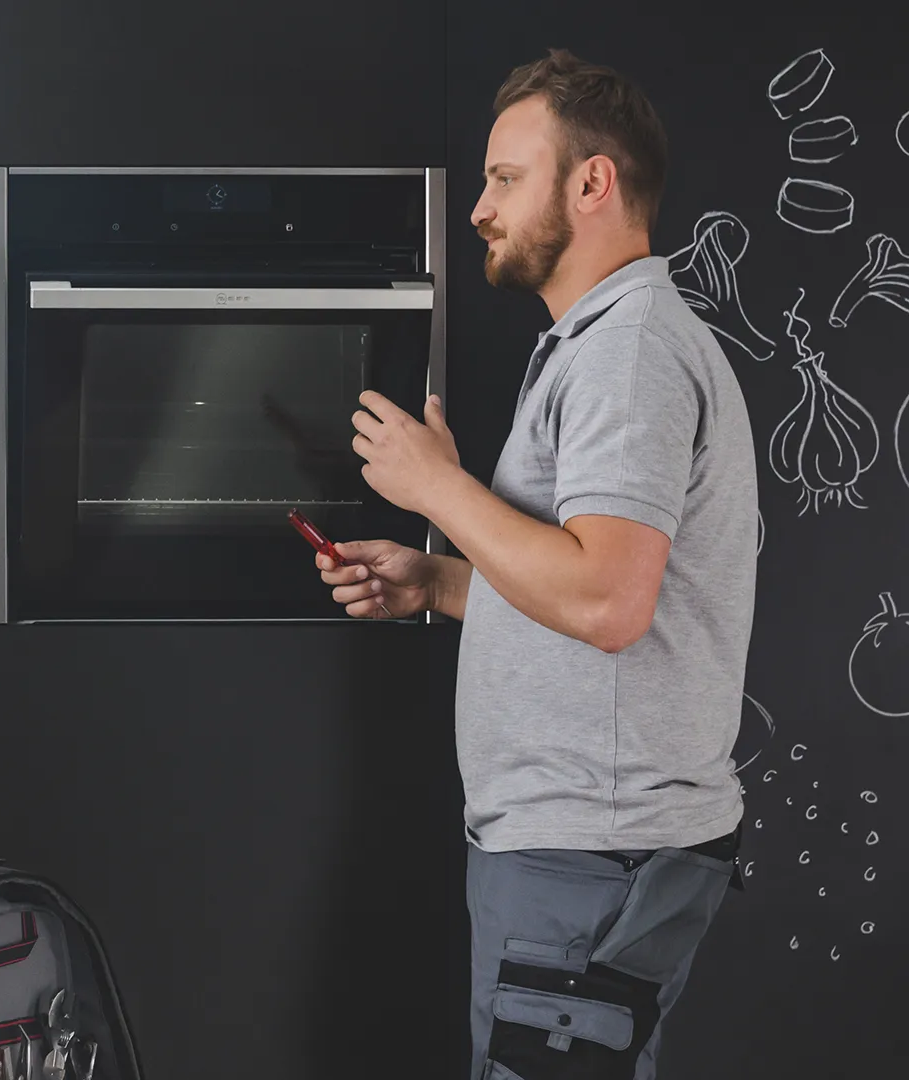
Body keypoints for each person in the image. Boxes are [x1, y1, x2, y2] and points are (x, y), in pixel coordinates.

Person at [316, 51, 756, 1079]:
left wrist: (437, 489)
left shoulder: (627, 351)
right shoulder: (596, 343)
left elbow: (608, 600)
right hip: (593, 848)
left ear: (592, 183)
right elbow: (584, 586)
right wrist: (438, 581)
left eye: (506, 178)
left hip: (589, 856)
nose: (479, 208)